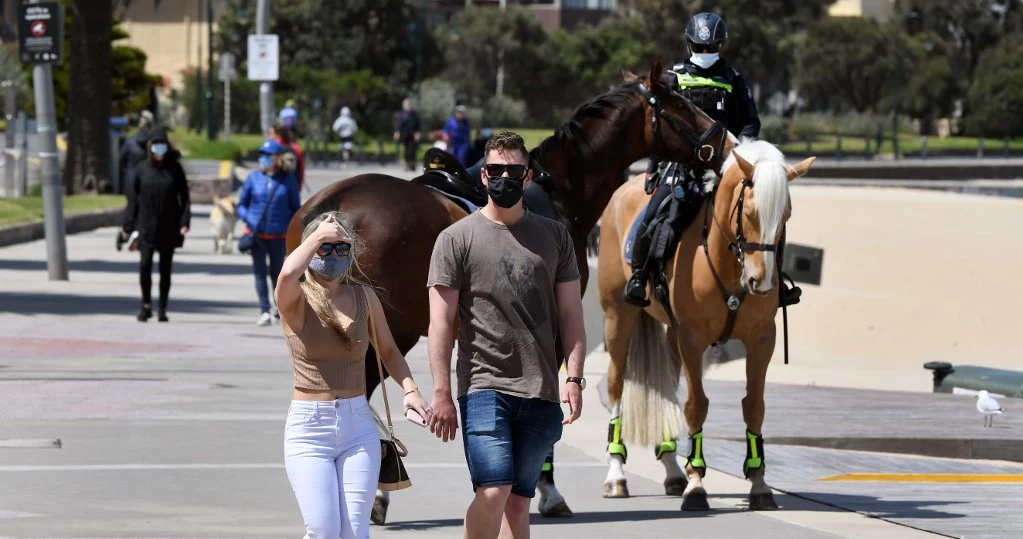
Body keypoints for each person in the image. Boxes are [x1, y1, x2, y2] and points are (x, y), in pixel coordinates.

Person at [426, 131, 587, 539]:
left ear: (527, 176)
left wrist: (574, 377)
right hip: (483, 387)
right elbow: (440, 323)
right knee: (494, 491)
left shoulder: (555, 236)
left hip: (541, 390)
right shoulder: (455, 239)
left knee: (518, 504)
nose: (503, 177)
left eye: (513, 170)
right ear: (482, 176)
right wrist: (441, 392)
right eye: (495, 170)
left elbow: (570, 313)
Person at [621, 11, 798, 308]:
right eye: (700, 47)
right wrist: (653, 169)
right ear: (689, 44)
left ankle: (777, 281)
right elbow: (659, 128)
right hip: (681, 167)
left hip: (726, 167)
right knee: (656, 214)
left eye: (712, 47)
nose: (706, 53)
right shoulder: (673, 78)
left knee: (769, 215)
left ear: (722, 47)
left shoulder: (734, 79)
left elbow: (750, 123)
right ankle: (640, 275)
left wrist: (740, 152)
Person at [277, 210, 432, 539]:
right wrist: (319, 234)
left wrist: (411, 390)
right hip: (309, 430)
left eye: (342, 248)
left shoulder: (365, 297)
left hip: (358, 427)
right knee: (322, 529)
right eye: (324, 248)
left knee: (353, 531)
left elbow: (389, 351)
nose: (333, 255)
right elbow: (288, 273)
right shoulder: (295, 298)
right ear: (308, 247)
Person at [120, 129, 190, 322]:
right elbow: (132, 199)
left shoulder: (175, 169)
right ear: (150, 147)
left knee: (165, 269)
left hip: (169, 226)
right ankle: (145, 305)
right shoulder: (142, 169)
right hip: (146, 226)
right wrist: (128, 225)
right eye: (156, 144)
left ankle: (162, 308)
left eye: (163, 144)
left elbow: (184, 197)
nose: (159, 148)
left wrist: (185, 222)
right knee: (145, 265)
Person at [237, 139, 301, 326]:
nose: (264, 159)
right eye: (262, 155)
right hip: (256, 235)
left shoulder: (288, 180)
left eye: (268, 155)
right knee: (259, 272)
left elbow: (295, 208)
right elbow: (241, 204)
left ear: (277, 158)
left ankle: (278, 308)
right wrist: (249, 218)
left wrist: (290, 227)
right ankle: (264, 310)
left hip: (278, 236)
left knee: (278, 274)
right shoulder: (253, 178)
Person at [270, 124, 306, 193]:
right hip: (292, 186)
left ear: (277, 134)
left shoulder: (273, 147)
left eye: (271, 133)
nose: (270, 136)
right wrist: (299, 186)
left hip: (275, 186)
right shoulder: (296, 148)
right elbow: (301, 169)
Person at [393, 98, 421, 172]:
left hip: (413, 134)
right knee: (406, 150)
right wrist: (397, 132)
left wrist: (417, 133)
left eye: (408, 104)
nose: (407, 106)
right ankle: (408, 163)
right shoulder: (402, 114)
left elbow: (417, 125)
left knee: (412, 150)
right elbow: (398, 124)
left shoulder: (414, 114)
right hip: (405, 134)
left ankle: (412, 163)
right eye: (405, 104)